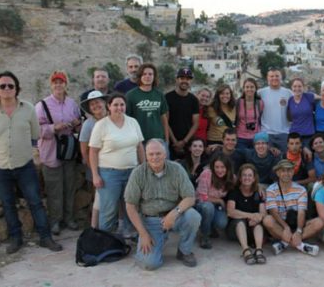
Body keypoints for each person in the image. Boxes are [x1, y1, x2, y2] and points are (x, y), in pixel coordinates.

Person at [0, 71, 62, 254]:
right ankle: (15, 238)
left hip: (25, 165)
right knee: (8, 204)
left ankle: (45, 237)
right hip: (1, 166)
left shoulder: (28, 109)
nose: (7, 89)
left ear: (17, 88)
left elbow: (35, 135)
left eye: (10, 85)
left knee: (35, 201)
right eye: (2, 86)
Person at [124, 140, 201, 270]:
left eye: (158, 153)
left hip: (174, 216)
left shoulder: (177, 169)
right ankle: (159, 238)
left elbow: (190, 197)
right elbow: (130, 206)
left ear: (165, 154)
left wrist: (174, 213)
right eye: (151, 154)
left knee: (193, 216)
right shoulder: (138, 173)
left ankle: (184, 251)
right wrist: (143, 234)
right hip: (150, 220)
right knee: (149, 264)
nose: (155, 157)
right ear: (146, 156)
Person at [89, 93, 145, 233]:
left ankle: (128, 236)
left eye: (122, 105)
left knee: (130, 207)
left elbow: (139, 146)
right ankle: (105, 242)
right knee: (108, 209)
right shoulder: (101, 125)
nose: (119, 108)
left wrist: (144, 168)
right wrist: (95, 175)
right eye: (115, 105)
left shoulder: (133, 122)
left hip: (132, 172)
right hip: (109, 173)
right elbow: (93, 151)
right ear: (109, 106)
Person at [35, 71, 81, 235]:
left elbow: (78, 125)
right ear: (51, 85)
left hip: (68, 151)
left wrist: (76, 124)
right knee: (54, 189)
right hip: (51, 152)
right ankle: (55, 221)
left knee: (69, 187)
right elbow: (35, 130)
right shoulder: (42, 105)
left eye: (61, 82)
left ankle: (69, 218)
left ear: (66, 84)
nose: (58, 85)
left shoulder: (72, 104)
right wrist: (53, 128)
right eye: (55, 82)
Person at [263, 160, 324, 256]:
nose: (286, 173)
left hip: (298, 223)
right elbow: (273, 212)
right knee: (267, 220)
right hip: (281, 224)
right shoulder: (271, 189)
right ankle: (301, 246)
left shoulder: (301, 189)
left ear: (293, 172)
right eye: (283, 171)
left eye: (289, 170)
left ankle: (285, 243)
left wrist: (299, 230)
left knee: (320, 222)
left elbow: (301, 212)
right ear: (278, 173)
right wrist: (286, 227)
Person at [226, 164, 267, 265]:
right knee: (240, 222)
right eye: (244, 175)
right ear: (240, 178)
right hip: (235, 229)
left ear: (254, 178)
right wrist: (251, 215)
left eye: (249, 175)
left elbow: (263, 212)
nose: (247, 178)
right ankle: (245, 250)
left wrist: (257, 218)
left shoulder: (258, 192)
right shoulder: (234, 192)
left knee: (258, 224)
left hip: (251, 229)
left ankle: (258, 250)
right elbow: (230, 211)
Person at [78, 90, 108, 228]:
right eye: (92, 104)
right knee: (98, 198)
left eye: (98, 102)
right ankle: (96, 226)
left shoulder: (113, 118)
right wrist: (93, 170)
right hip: (96, 167)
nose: (96, 106)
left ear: (104, 102)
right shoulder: (88, 125)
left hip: (113, 165)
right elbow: (84, 150)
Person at [195, 154, 236, 249]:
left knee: (222, 223)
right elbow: (202, 197)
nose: (219, 170)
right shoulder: (207, 174)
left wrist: (258, 187)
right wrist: (220, 201)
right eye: (217, 167)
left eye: (222, 167)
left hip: (216, 206)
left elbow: (244, 184)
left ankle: (210, 226)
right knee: (208, 207)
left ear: (228, 167)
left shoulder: (232, 178)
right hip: (201, 204)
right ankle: (204, 235)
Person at [125, 63, 169, 144]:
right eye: (144, 74)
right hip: (139, 141)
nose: (147, 76)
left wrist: (166, 140)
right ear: (140, 76)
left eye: (150, 74)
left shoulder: (159, 95)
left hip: (159, 140)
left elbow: (164, 119)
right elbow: (126, 120)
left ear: (154, 76)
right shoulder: (130, 95)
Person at [166, 67, 199, 159]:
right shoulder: (167, 98)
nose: (185, 81)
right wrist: (175, 142)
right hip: (171, 143)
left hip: (188, 143)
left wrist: (184, 141)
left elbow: (195, 123)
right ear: (177, 79)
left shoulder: (194, 100)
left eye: (188, 79)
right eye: (182, 78)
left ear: (191, 81)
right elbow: (165, 121)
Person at [258, 68, 293, 154]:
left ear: (281, 77)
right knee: (269, 160)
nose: (274, 78)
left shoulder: (288, 93)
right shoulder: (260, 93)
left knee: (285, 159)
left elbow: (301, 98)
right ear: (267, 78)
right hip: (266, 133)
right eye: (271, 76)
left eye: (277, 76)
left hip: (284, 133)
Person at [235, 78, 264, 150]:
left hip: (256, 138)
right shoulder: (238, 102)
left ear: (255, 88)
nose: (249, 89)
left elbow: (260, 116)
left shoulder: (260, 103)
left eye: (252, 87)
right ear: (244, 89)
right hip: (241, 137)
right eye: (247, 87)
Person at [287, 78, 316, 147]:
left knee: (308, 156)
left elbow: (322, 98)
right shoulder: (290, 100)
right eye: (295, 86)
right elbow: (289, 117)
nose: (297, 88)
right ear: (291, 87)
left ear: (303, 87)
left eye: (299, 86)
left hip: (308, 134)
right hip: (294, 136)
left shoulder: (309, 97)